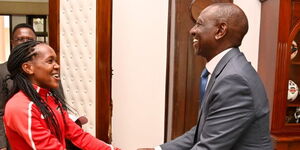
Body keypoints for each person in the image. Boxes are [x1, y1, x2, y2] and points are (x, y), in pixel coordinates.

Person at [138, 3, 272, 150]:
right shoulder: (225, 71)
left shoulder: (234, 80)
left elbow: (208, 147)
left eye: (199, 24)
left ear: (220, 31)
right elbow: (201, 132)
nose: (192, 30)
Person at [2, 41, 120, 150]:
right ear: (28, 68)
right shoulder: (20, 106)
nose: (57, 66)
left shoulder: (49, 98)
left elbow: (79, 136)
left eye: (56, 61)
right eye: (50, 61)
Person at [0, 23, 37, 150]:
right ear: (12, 42)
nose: (25, 43)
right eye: (20, 39)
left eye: (29, 40)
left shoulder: (45, 68)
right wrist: (2, 145)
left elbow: (59, 105)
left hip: (41, 134)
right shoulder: (2, 71)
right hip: (14, 136)